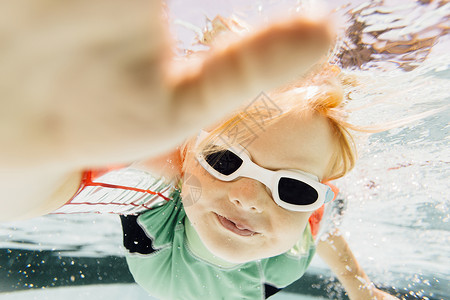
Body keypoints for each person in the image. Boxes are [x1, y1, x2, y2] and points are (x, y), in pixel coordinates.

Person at [0, 1, 398, 299]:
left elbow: (324, 227)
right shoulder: (170, 199)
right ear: (188, 159)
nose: (246, 197)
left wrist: (360, 288)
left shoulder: (302, 229)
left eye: (293, 188)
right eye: (224, 161)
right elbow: (39, 190)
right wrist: (26, 153)